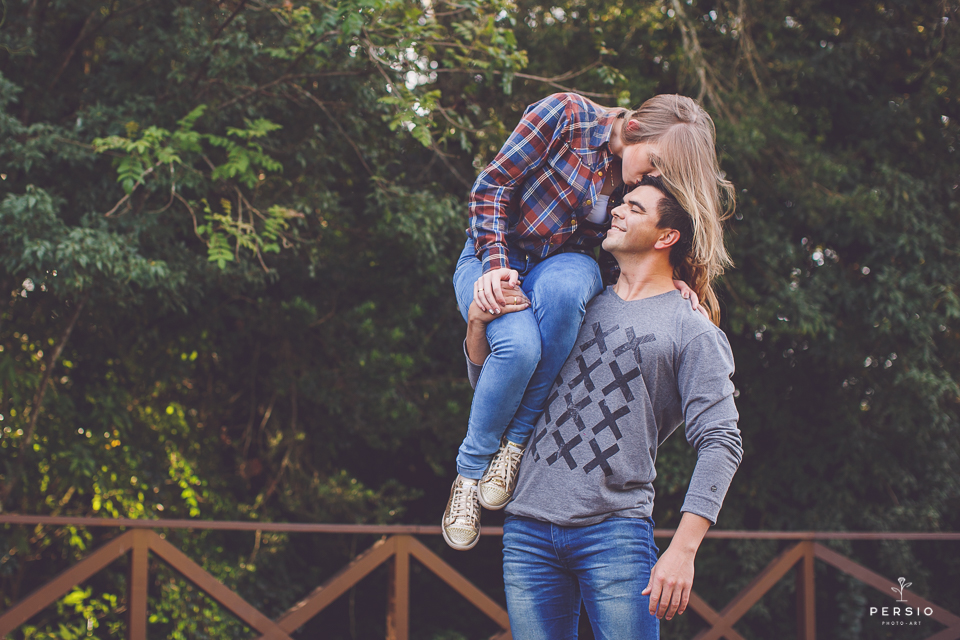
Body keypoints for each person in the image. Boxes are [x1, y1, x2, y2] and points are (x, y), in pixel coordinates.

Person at [444, 91, 735, 551]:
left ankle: (514, 445)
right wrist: (497, 264)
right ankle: (469, 473)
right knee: (519, 349)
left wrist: (675, 282)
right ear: (636, 128)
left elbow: (643, 241)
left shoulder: (632, 183)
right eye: (656, 163)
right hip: (493, 253)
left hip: (561, 268)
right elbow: (492, 187)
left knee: (566, 291)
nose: (655, 177)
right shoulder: (566, 115)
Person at [465, 176, 742, 638]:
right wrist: (477, 328)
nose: (616, 211)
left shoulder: (691, 329)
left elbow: (722, 441)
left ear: (666, 237)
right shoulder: (573, 301)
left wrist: (683, 549)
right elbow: (497, 396)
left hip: (614, 533)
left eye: (634, 208)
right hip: (527, 529)